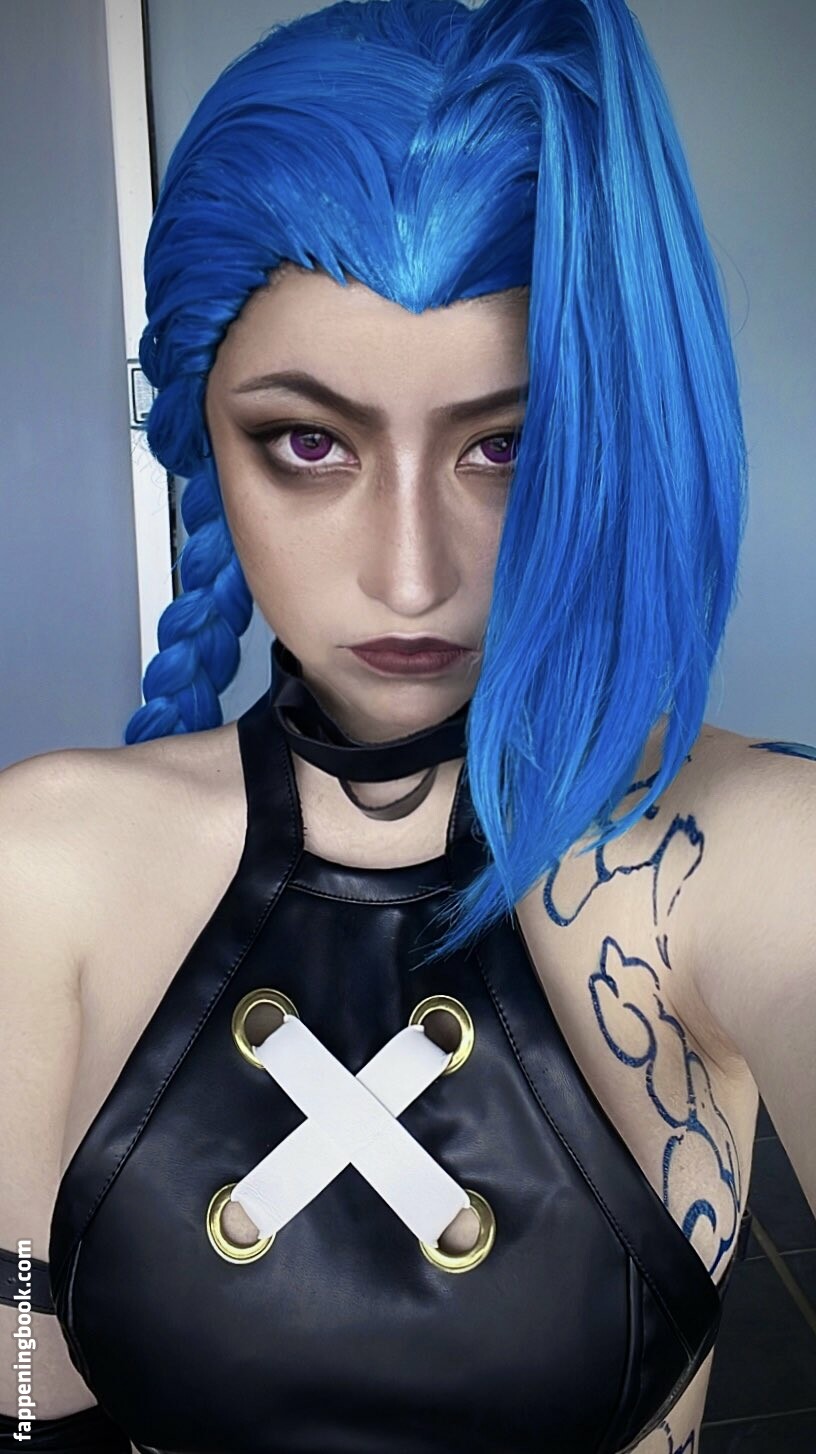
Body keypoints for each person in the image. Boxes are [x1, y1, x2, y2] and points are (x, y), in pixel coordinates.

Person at [2, 0, 813, 1450]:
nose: (411, 578)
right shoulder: (44, 858)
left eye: (507, 444)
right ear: (207, 437)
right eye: (308, 441)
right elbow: (22, 1383)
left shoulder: (739, 858)